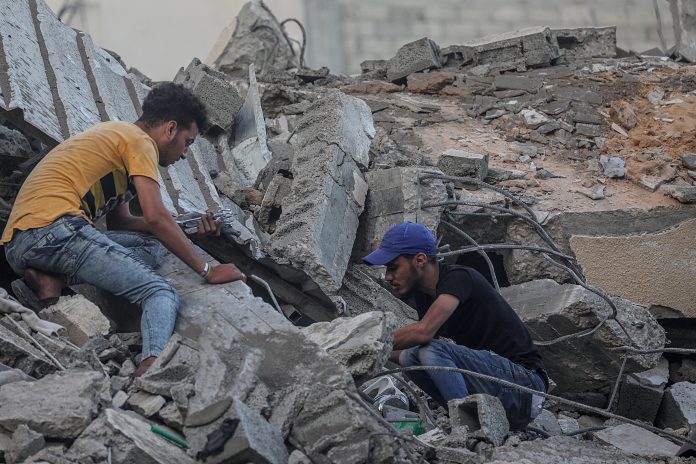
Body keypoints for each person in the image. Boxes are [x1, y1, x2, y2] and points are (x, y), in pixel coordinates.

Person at [1, 82, 246, 377]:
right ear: (170, 129)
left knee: (150, 246)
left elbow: (123, 223)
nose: (184, 154)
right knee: (160, 293)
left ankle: (48, 277)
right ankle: (150, 366)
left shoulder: (119, 139)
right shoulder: (139, 142)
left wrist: (187, 227)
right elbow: (156, 217)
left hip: (26, 240)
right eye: (188, 142)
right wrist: (207, 270)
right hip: (55, 229)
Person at [363, 221, 548, 428]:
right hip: (499, 389)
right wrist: (371, 354)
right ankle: (471, 419)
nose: (388, 276)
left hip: (527, 386)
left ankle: (467, 427)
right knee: (410, 357)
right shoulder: (425, 296)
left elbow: (424, 333)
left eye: (393, 267)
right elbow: (419, 350)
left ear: (420, 260)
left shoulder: (459, 278)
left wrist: (368, 341)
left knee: (430, 350)